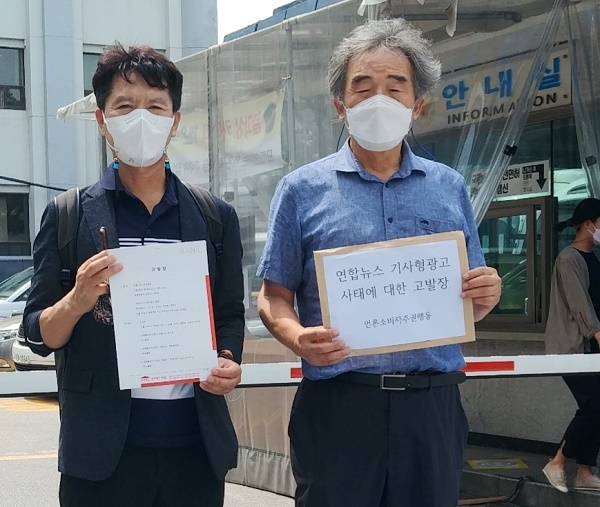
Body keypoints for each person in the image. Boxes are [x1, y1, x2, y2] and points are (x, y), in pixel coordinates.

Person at [256, 19, 501, 507]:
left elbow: (468, 301)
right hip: (340, 407)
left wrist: (486, 295)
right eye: (362, 88)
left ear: (418, 104)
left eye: (395, 87)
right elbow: (273, 296)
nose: (378, 100)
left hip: (430, 405)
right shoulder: (302, 190)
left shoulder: (448, 186)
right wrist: (297, 337)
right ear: (340, 106)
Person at [23, 44, 245, 507]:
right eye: (124, 106)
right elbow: (37, 334)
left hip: (194, 452)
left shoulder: (213, 217)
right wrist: (77, 300)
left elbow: (228, 313)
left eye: (155, 106)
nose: (140, 118)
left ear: (175, 120)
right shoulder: (68, 215)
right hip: (102, 456)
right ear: (102, 122)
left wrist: (227, 359)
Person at [542, 198, 600, 493]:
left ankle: (585, 472)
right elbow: (582, 307)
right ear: (589, 224)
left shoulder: (595, 258)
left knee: (597, 406)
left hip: (592, 350)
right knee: (594, 405)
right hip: (573, 349)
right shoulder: (569, 258)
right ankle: (558, 462)